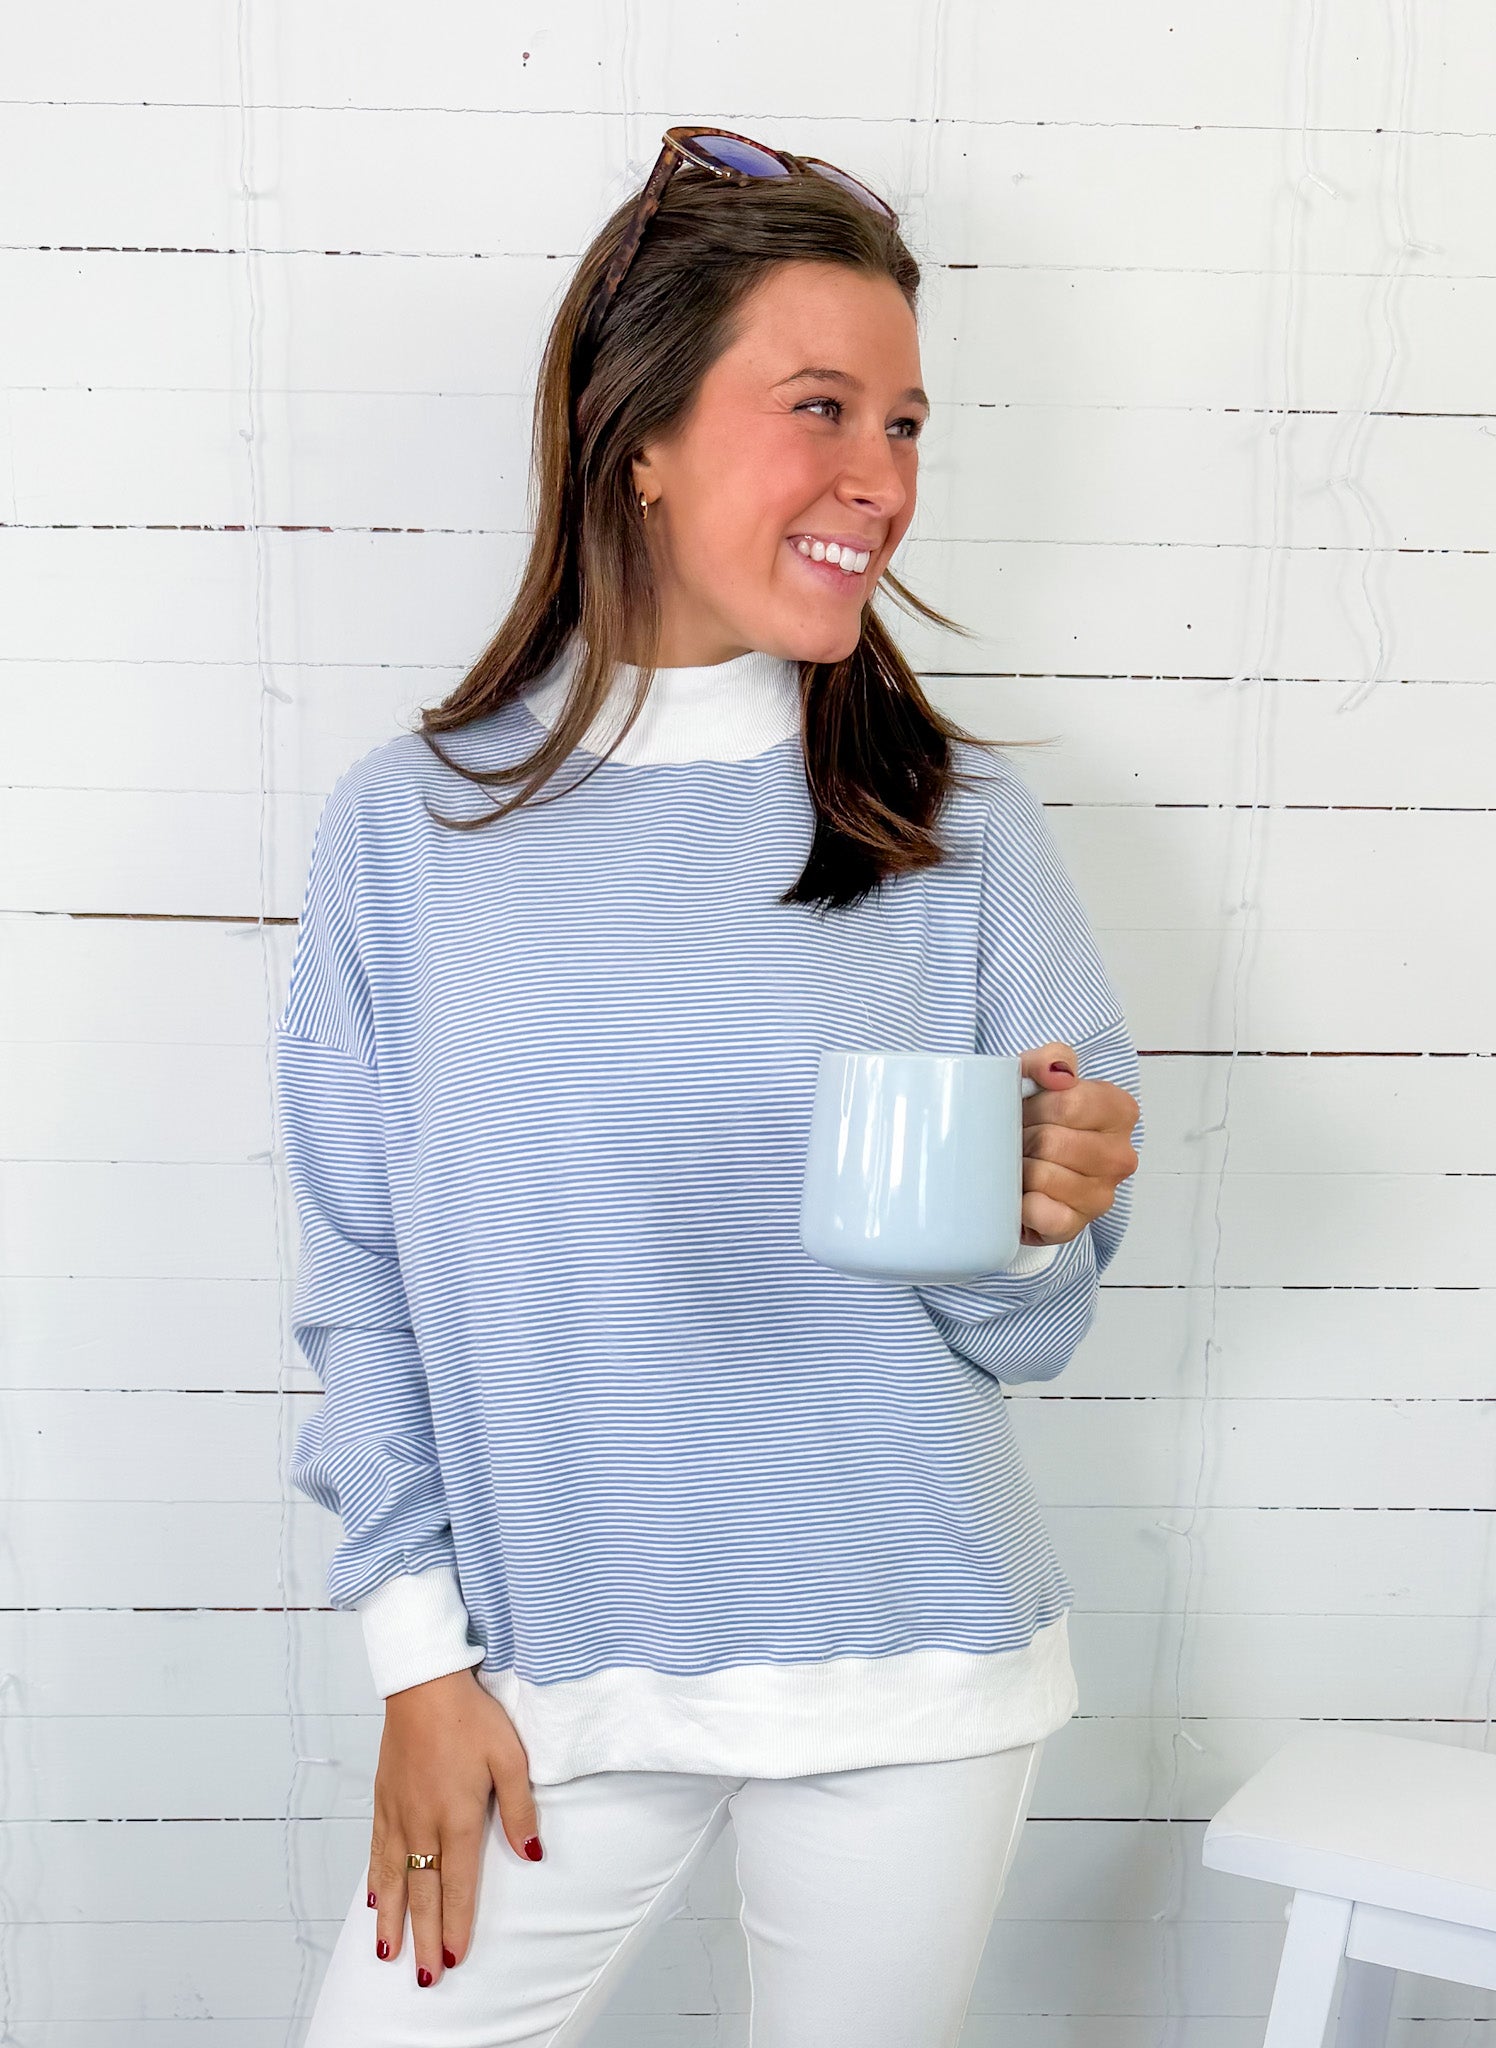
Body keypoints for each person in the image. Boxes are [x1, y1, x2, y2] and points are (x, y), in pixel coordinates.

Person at [279, 126, 1143, 2048]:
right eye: (822, 406)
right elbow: (363, 1277)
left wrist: (1032, 1224)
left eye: (908, 423)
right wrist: (418, 1665)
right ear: (637, 434)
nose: (881, 480)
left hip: (914, 1660)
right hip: (549, 1682)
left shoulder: (962, 831)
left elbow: (1035, 1333)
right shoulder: (412, 833)